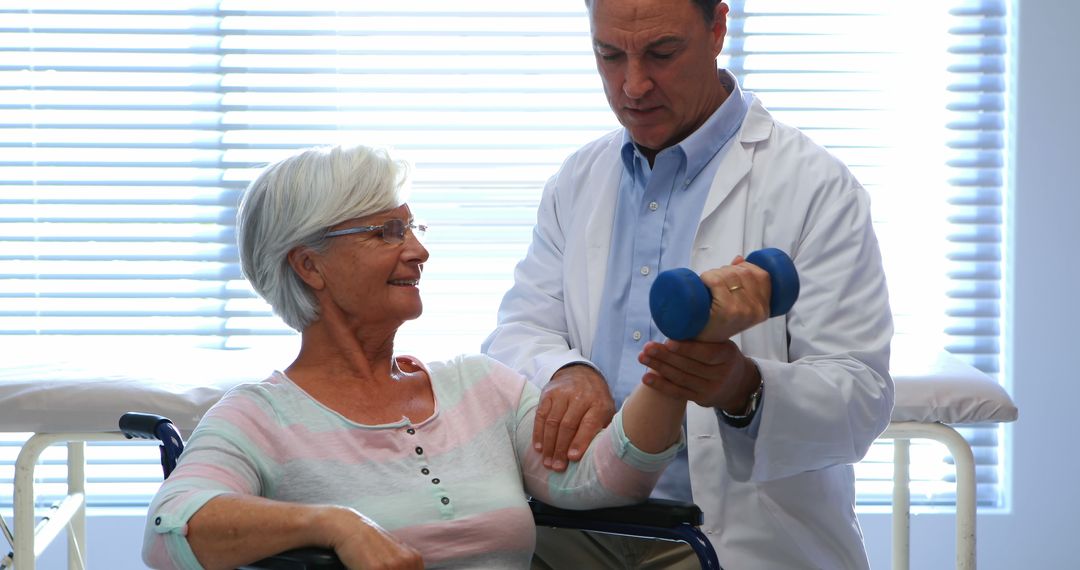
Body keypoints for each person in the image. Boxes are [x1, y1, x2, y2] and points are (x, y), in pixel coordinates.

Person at [141, 143, 743, 570]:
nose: (419, 250)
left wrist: (681, 355)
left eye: (411, 226)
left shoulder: (478, 387)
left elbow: (606, 480)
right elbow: (169, 532)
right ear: (309, 265)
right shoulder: (258, 417)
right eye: (386, 233)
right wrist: (332, 524)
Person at [481, 0, 895, 568]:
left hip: (729, 538)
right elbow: (518, 329)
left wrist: (744, 390)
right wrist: (566, 372)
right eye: (608, 55)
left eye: (662, 53)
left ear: (717, 27)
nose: (633, 84)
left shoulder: (816, 187)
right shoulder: (577, 181)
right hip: (574, 525)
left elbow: (861, 400)